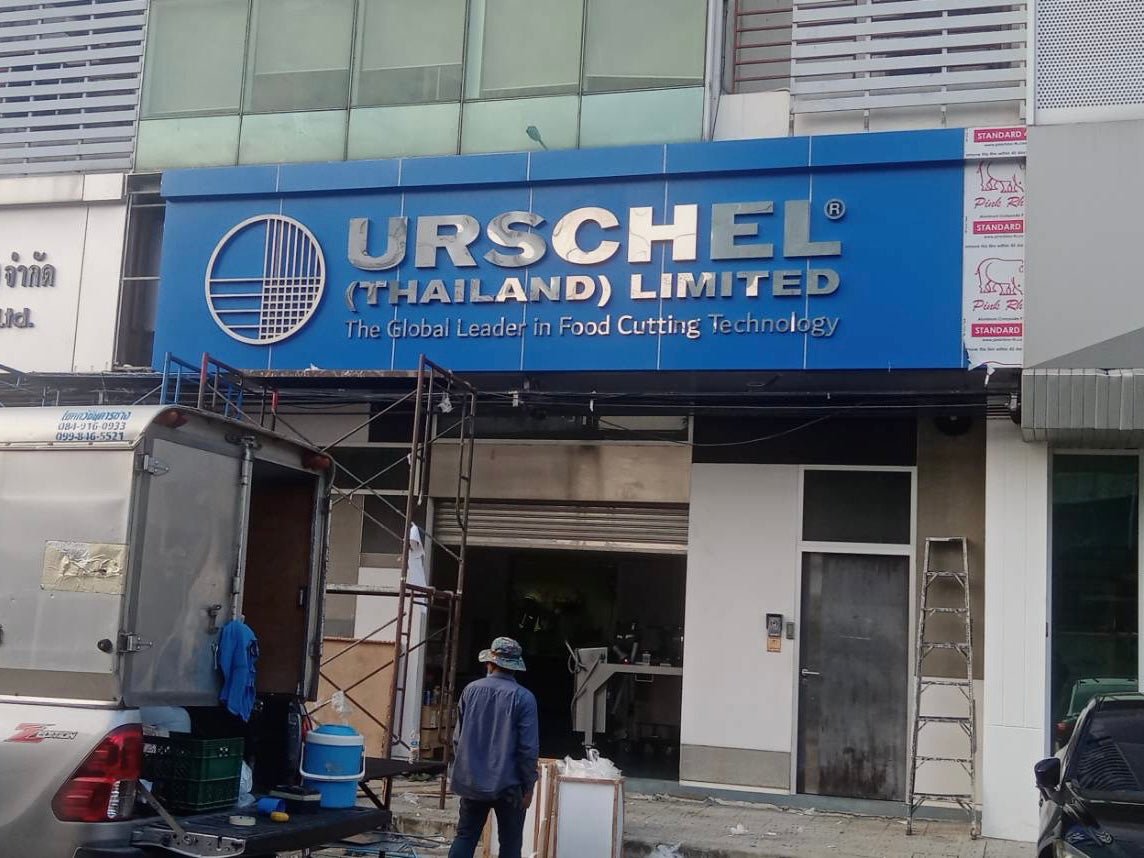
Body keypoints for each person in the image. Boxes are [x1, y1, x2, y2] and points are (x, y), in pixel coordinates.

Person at [448, 637, 539, 858]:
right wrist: (528, 786)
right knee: (510, 844)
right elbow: (528, 749)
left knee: (465, 836)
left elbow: (457, 739)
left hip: (472, 782)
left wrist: (465, 772)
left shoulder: (470, 691)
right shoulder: (524, 698)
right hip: (509, 785)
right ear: (515, 667)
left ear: (490, 663)